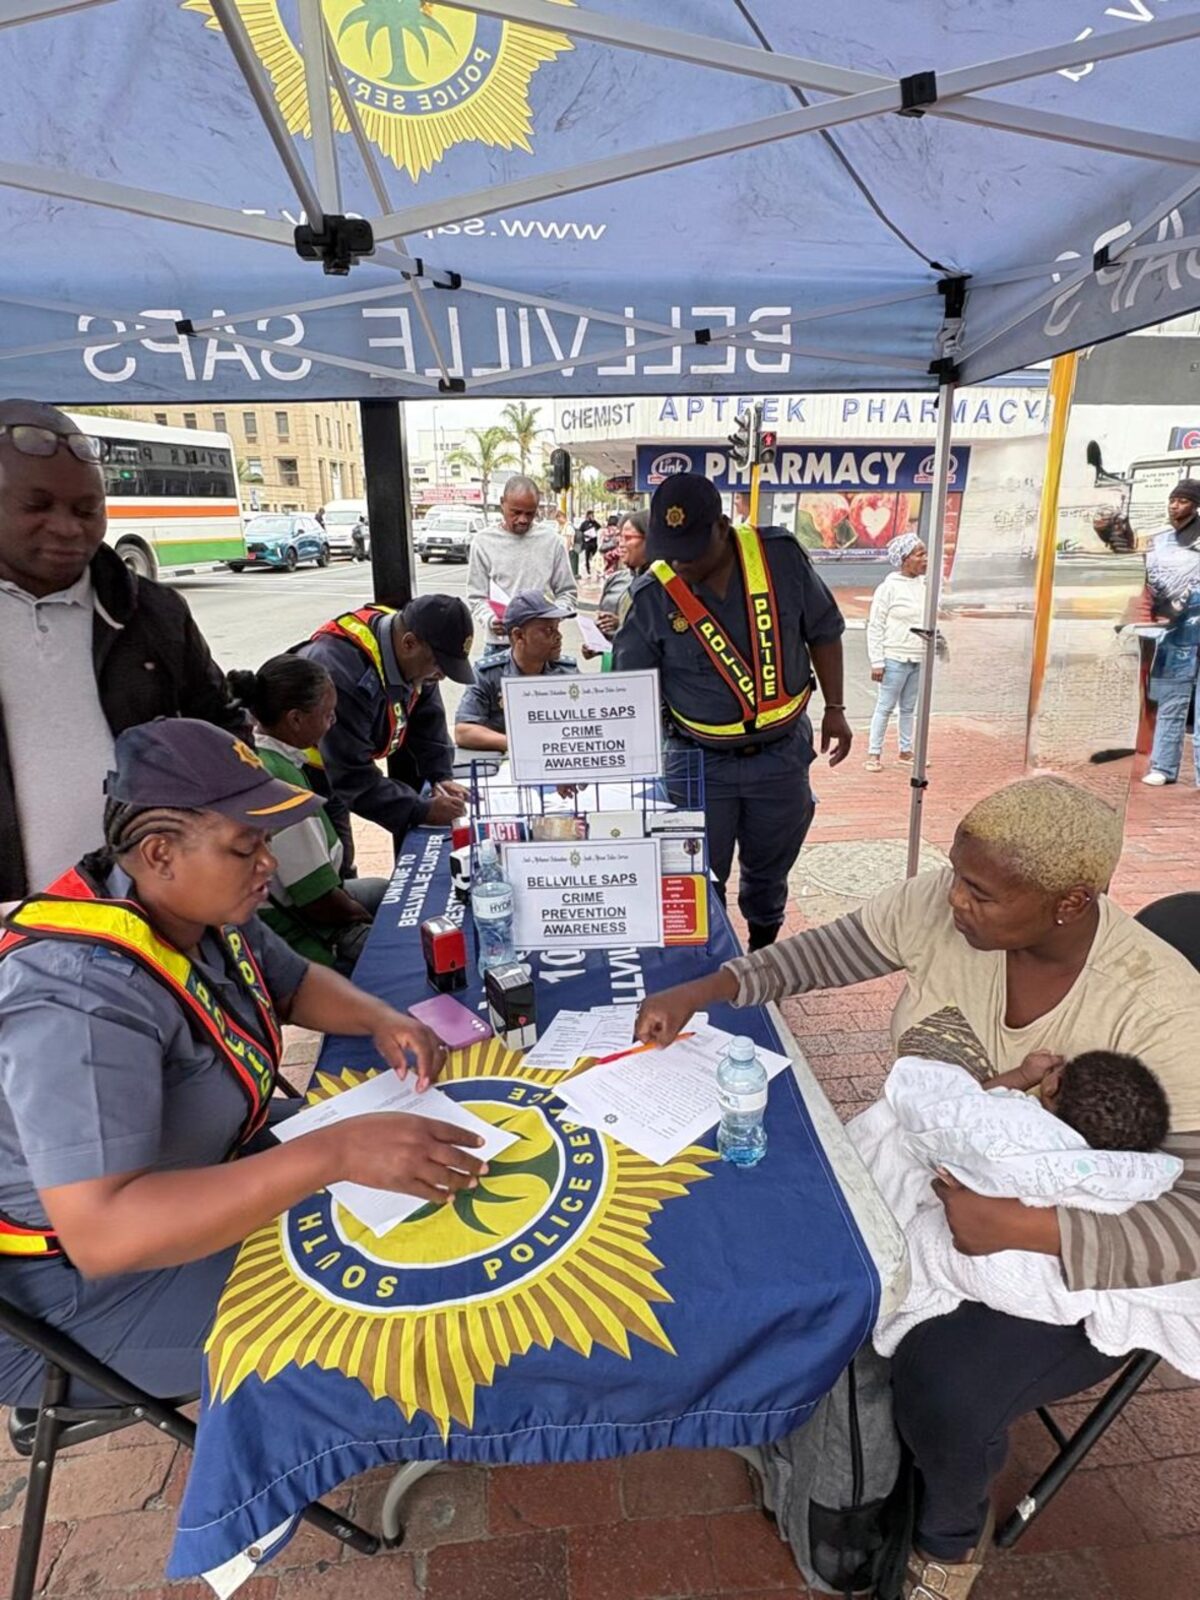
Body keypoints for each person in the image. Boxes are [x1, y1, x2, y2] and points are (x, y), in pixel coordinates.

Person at [635, 774, 1200, 1598]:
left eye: (981, 893)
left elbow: (1191, 1214)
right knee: (809, 1249)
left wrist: (1020, 1228)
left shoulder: (1161, 1008)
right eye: (956, 878)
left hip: (1079, 1245)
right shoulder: (947, 906)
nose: (955, 903)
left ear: (1071, 904)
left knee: (944, 1384)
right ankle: (816, 1437)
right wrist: (710, 989)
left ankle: (948, 1541)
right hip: (951, 1183)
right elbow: (824, 954)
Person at [0, 719, 486, 1406]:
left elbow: (290, 981)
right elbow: (104, 1232)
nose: (269, 864)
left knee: (424, 1170)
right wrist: (332, 1153)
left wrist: (381, 1018)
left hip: (214, 1159)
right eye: (245, 846)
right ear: (161, 852)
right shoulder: (75, 998)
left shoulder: (192, 904)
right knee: (380, 1295)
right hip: (78, 1295)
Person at [0, 399, 245, 906]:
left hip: (147, 913)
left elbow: (224, 730)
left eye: (87, 510)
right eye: (37, 506)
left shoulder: (155, 613)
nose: (68, 528)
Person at [613, 472, 851, 951]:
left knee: (768, 873)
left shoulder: (779, 558)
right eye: (670, 550)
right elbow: (628, 691)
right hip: (698, 762)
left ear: (722, 527)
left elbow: (823, 630)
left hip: (781, 756)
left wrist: (837, 708)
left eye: (691, 550)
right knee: (697, 874)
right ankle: (711, 968)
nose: (679, 563)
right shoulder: (651, 595)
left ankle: (761, 959)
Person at [227, 655, 390, 973]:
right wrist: (367, 920)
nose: (333, 723)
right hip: (293, 932)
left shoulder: (260, 753)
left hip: (287, 909)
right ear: (296, 719)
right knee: (397, 947)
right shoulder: (280, 782)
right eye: (327, 714)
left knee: (384, 892)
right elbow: (320, 902)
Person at [298, 594, 473, 852]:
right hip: (301, 774)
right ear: (409, 643)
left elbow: (428, 720)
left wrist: (440, 776)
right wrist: (421, 810)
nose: (442, 675)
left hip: (336, 767)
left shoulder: (412, 654)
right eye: (439, 664)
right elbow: (352, 777)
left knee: (340, 859)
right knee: (327, 866)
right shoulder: (341, 676)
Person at [454, 591, 579, 753]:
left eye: (557, 628)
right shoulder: (489, 673)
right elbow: (464, 731)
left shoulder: (568, 673)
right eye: (548, 630)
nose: (558, 636)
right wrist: (520, 744)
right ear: (519, 635)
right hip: (508, 766)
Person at [468, 475, 576, 660]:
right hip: (499, 646)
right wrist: (490, 619)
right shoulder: (483, 542)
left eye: (530, 513)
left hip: (541, 646)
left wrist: (552, 617)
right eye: (515, 512)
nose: (523, 519)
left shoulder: (552, 542)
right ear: (502, 503)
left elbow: (567, 592)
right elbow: (477, 597)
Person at [1142, 479, 1200, 787]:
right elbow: (1151, 581)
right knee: (1171, 703)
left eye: (1183, 500)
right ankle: (1163, 766)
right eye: (1172, 499)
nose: (1175, 505)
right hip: (1175, 633)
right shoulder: (1161, 541)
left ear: (1195, 505)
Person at [864, 532, 928, 772]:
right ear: (904, 559)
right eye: (919, 554)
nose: (925, 559)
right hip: (894, 658)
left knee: (909, 708)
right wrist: (877, 661)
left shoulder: (925, 586)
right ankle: (874, 753)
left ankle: (905, 750)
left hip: (917, 657)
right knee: (885, 707)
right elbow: (876, 625)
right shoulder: (888, 588)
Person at [581, 511, 649, 667]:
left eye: (629, 538)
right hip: (613, 670)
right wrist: (596, 644)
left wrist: (622, 625)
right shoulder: (616, 579)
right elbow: (605, 632)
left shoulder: (662, 587)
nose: (621, 544)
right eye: (620, 538)